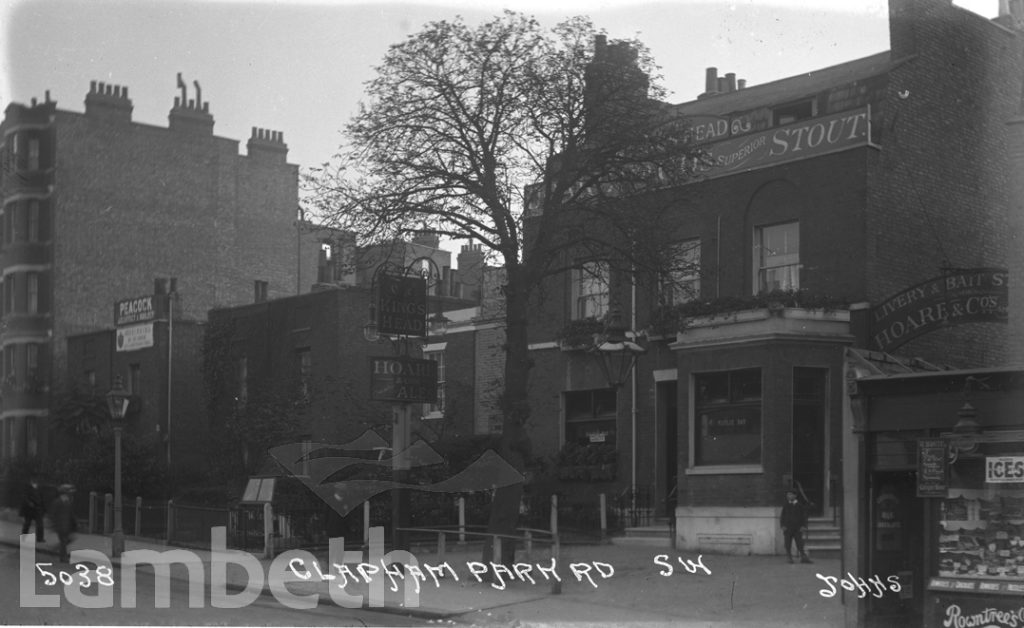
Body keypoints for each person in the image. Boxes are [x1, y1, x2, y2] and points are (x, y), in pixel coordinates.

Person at [781, 489, 813, 564]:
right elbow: (782, 516)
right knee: (787, 543)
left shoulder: (799, 505)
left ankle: (803, 556)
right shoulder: (786, 505)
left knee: (799, 542)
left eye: (790, 494)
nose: (788, 496)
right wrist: (782, 525)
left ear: (795, 495)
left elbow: (803, 516)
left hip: (797, 528)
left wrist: (803, 526)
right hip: (788, 528)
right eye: (787, 494)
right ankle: (789, 557)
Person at [49, 484, 78, 563]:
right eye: (69, 492)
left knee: (67, 540)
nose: (71, 494)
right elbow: (52, 514)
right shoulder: (57, 502)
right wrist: (54, 525)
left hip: (67, 525)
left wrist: (74, 524)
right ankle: (63, 558)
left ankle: (55, 549)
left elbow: (71, 514)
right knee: (64, 541)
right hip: (60, 526)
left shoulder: (68, 501)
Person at [19, 476, 45, 542]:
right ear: (31, 480)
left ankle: (40, 538)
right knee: (27, 524)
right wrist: (29, 503)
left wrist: (42, 508)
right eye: (33, 479)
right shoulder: (27, 487)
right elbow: (24, 496)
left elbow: (42, 498)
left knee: (40, 525)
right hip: (29, 509)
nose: (35, 481)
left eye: (36, 479)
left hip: (37, 509)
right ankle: (24, 538)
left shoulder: (39, 487)